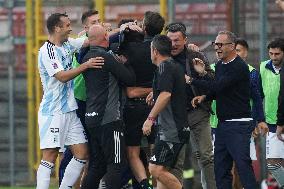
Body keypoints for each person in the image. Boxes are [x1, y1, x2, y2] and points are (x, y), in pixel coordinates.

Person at [36, 13, 103, 189]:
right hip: (53, 112)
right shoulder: (47, 51)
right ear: (57, 28)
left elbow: (89, 40)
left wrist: (121, 29)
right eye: (67, 25)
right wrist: (85, 66)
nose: (70, 28)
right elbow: (62, 77)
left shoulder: (67, 44)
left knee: (82, 153)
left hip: (69, 110)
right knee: (49, 155)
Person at [191, 30, 257, 189]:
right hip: (222, 125)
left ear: (232, 46)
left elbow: (218, 85)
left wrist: (193, 80)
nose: (217, 48)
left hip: (239, 124)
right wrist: (205, 97)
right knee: (221, 169)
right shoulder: (220, 65)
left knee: (242, 166)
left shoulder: (239, 67)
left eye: (220, 44)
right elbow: (218, 89)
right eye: (215, 44)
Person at [80, 24, 136, 189]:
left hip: (91, 118)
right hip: (109, 120)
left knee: (97, 165)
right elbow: (130, 79)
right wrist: (125, 62)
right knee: (117, 164)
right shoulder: (107, 57)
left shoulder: (87, 58)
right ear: (105, 37)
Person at [166, 22, 216, 189]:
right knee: (175, 161)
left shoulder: (195, 56)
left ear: (185, 40)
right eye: (170, 40)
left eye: (177, 40)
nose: (173, 44)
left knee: (206, 156)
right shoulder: (160, 56)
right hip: (173, 116)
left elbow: (212, 82)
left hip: (197, 113)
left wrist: (201, 73)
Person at [121, 11, 165, 189]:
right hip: (157, 106)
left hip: (134, 107)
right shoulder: (163, 50)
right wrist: (155, 91)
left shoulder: (131, 49)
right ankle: (155, 185)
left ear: (144, 28)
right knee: (155, 151)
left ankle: (144, 184)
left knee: (133, 152)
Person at [58, 9, 101, 186]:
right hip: (79, 101)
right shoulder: (78, 44)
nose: (98, 24)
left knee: (90, 150)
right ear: (85, 28)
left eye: (99, 21)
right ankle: (64, 183)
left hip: (94, 103)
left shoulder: (98, 41)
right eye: (93, 23)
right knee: (74, 150)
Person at [142, 34, 190, 189]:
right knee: (163, 175)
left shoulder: (164, 66)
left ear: (154, 51)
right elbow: (168, 92)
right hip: (176, 129)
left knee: (155, 169)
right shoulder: (173, 65)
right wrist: (155, 94)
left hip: (171, 131)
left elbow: (166, 94)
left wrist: (150, 119)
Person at [259, 38, 284, 187]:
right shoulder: (263, 67)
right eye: (271, 54)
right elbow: (258, 94)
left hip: (281, 122)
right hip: (272, 122)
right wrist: (258, 119)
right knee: (274, 164)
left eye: (277, 54)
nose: (274, 57)